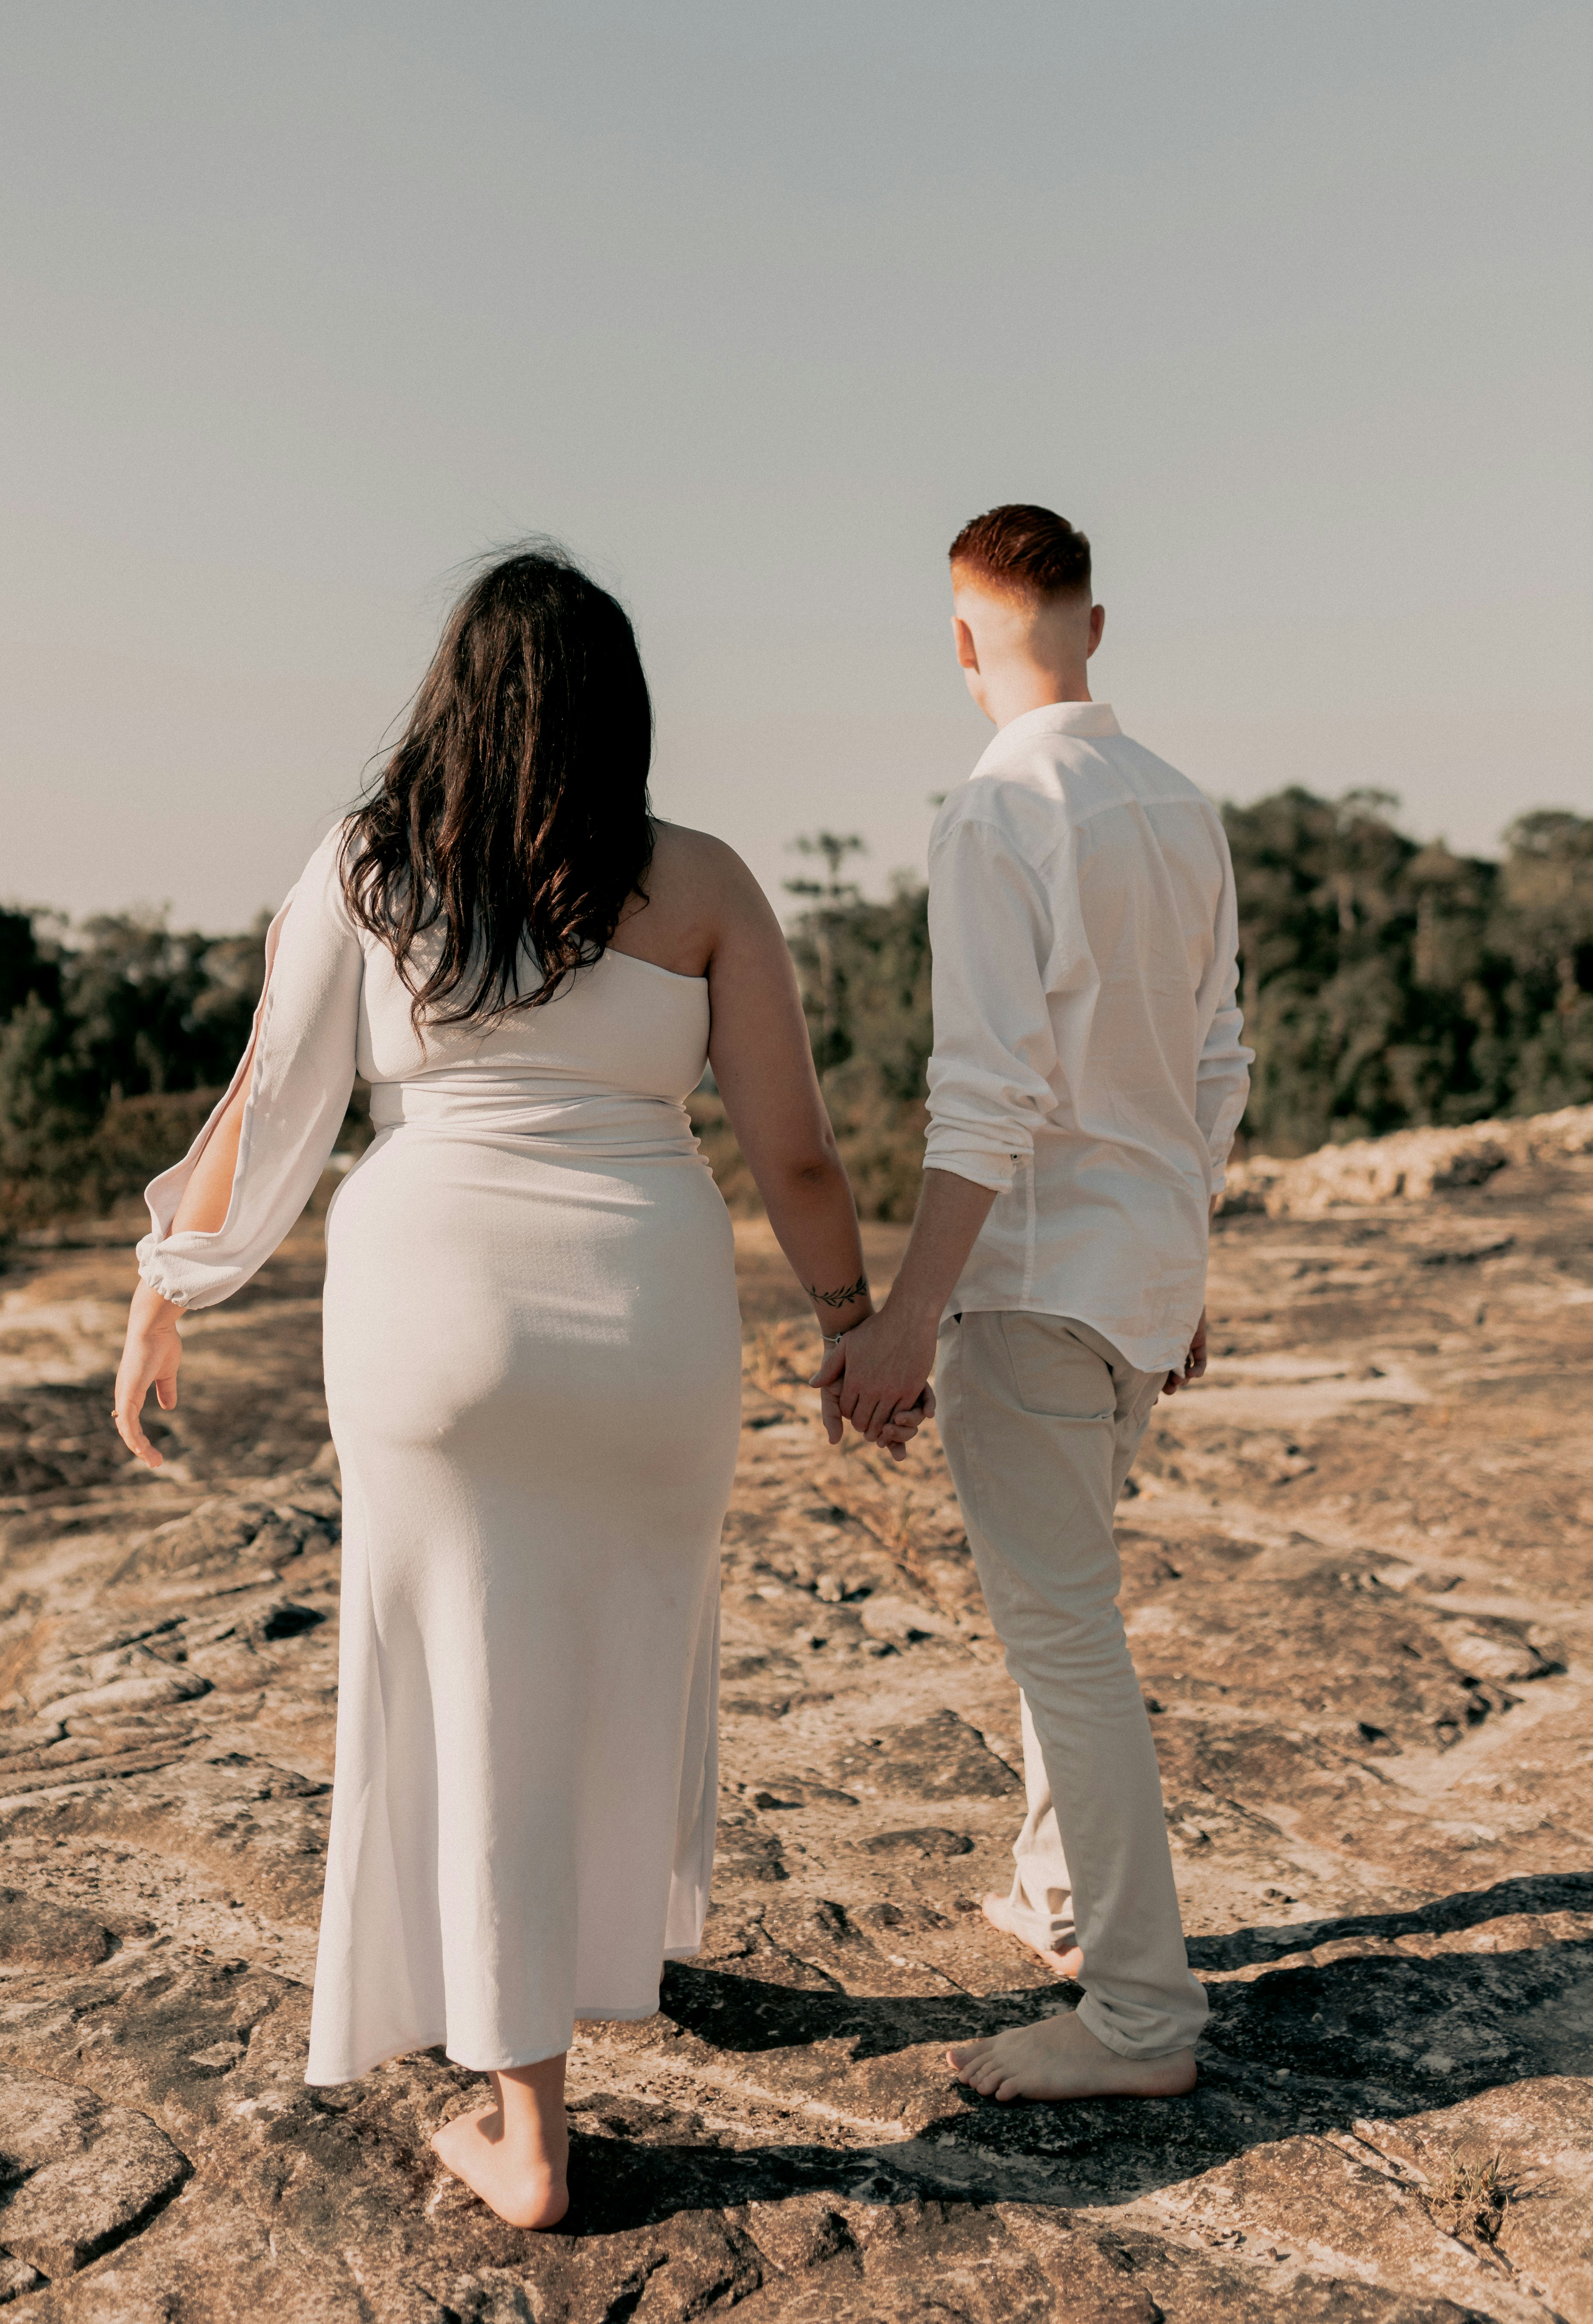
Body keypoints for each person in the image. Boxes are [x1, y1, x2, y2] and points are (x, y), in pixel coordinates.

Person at [111, 550, 922, 2230]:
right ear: (620, 713)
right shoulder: (697, 880)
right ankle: (593, 1971)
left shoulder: (367, 870)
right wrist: (852, 1320)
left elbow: (272, 1106)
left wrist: (166, 1287)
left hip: (429, 1319)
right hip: (647, 1318)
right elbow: (794, 1149)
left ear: (449, 703)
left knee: (464, 1671)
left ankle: (521, 2117)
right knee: (622, 1640)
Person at [817, 503, 1252, 2106]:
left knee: (1066, 1643)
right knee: (1067, 1605)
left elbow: (985, 1097)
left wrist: (902, 1322)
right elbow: (1218, 1065)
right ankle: (1060, 1901)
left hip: (1036, 1286)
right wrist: (1183, 1257)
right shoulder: (1180, 805)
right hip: (1138, 1281)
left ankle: (1141, 2015)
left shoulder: (997, 810)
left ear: (961, 636)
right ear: (1094, 622)